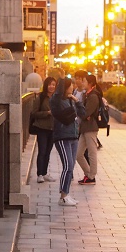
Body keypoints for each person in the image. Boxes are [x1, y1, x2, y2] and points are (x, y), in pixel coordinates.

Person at [50, 77, 85, 206]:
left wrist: (77, 100)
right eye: (70, 85)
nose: (73, 87)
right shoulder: (56, 100)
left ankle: (67, 193)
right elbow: (58, 93)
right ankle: (63, 196)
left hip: (73, 136)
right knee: (68, 166)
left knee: (71, 166)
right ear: (65, 87)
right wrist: (63, 79)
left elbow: (82, 113)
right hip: (62, 136)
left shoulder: (71, 100)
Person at [76, 74, 102, 185]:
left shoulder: (93, 96)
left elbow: (85, 112)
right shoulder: (87, 95)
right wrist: (83, 113)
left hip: (91, 128)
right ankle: (88, 174)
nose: (83, 83)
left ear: (90, 83)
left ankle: (92, 176)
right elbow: (84, 113)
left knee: (92, 153)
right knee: (78, 154)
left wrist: (84, 113)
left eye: (85, 81)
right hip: (84, 128)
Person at [31, 76, 57, 184]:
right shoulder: (40, 98)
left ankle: (45, 173)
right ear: (46, 85)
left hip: (53, 128)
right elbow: (34, 113)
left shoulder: (56, 98)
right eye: (50, 84)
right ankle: (39, 174)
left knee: (48, 151)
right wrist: (47, 113)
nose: (51, 87)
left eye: (53, 85)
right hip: (42, 127)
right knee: (42, 151)